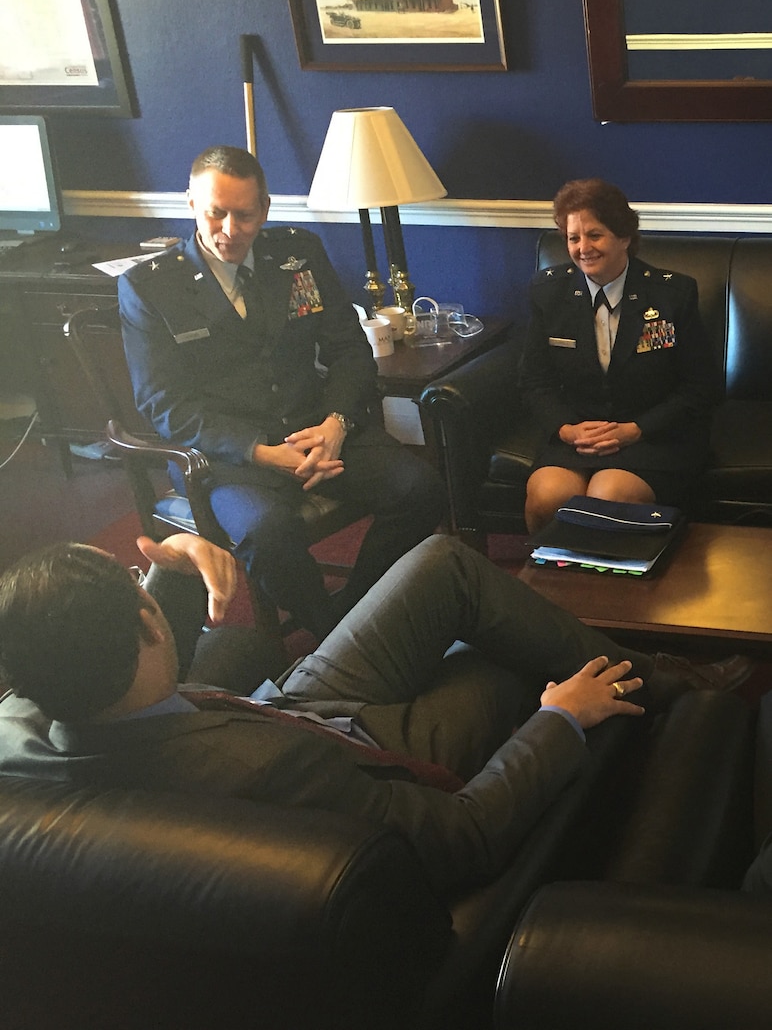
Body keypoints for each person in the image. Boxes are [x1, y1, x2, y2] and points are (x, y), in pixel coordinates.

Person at [0, 532, 751, 892]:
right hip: (352, 745)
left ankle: (655, 675)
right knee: (510, 658)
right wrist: (557, 720)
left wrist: (169, 578)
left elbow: (136, 673)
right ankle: (669, 687)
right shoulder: (271, 772)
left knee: (443, 565)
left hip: (288, 706)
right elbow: (463, 836)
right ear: (146, 630)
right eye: (140, 590)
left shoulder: (25, 722)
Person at [118, 145, 446, 640]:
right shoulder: (148, 287)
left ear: (265, 210)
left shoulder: (298, 256)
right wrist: (262, 453)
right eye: (216, 212)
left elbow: (347, 349)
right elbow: (164, 404)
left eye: (245, 215)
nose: (230, 230)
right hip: (226, 455)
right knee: (269, 534)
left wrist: (337, 423)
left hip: (317, 428)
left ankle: (354, 610)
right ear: (191, 203)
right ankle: (332, 632)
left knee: (420, 490)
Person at [520, 178, 723, 533]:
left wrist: (636, 430)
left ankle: (613, 586)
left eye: (595, 235)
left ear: (624, 237)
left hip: (652, 436)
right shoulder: (548, 291)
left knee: (607, 496)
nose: (583, 248)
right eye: (573, 238)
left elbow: (701, 386)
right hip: (578, 433)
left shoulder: (672, 294)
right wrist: (566, 429)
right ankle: (552, 585)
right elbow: (535, 380)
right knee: (546, 497)